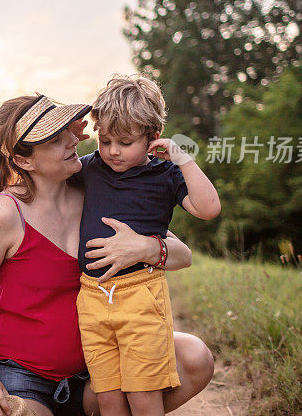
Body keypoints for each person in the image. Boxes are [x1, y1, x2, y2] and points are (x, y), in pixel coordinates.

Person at [0, 94, 215, 416]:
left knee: (194, 358)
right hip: (18, 374)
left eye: (69, 132)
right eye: (56, 140)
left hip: (91, 369)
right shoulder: (5, 214)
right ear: (24, 161)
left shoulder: (94, 189)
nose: (74, 141)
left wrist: (146, 247)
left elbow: (182, 255)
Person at [74, 75, 220, 415]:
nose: (112, 150)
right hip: (93, 298)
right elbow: (50, 178)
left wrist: (183, 159)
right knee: (108, 397)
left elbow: (209, 208)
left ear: (153, 137)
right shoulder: (92, 168)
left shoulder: (165, 175)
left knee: (144, 396)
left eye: (124, 142)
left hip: (141, 296)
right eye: (105, 139)